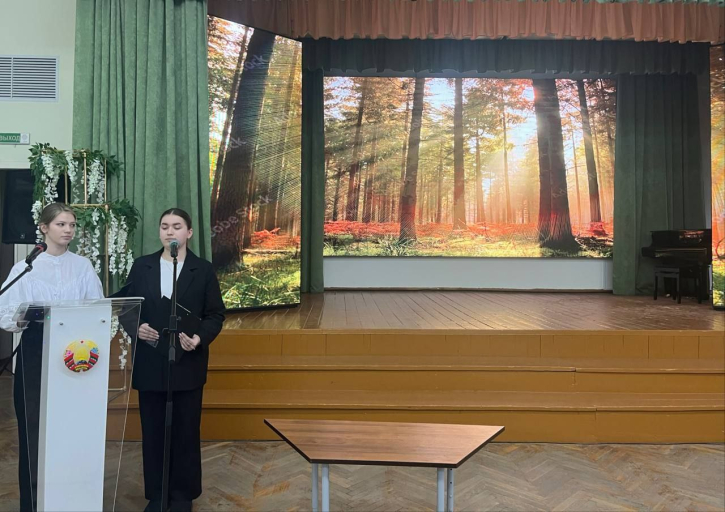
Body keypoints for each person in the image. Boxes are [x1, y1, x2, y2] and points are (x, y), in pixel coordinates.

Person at [0, 203, 104, 512]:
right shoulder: (26, 267)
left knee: (72, 428)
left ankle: (72, 500)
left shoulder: (82, 266)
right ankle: (33, 504)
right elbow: (5, 314)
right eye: (61, 224)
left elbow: (97, 309)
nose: (68, 230)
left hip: (75, 356)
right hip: (35, 352)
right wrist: (22, 317)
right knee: (33, 429)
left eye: (72, 224)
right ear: (44, 228)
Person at [120, 208, 225, 512]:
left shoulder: (202, 269)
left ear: (188, 233)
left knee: (185, 431)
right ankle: (157, 495)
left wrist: (199, 338)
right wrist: (136, 327)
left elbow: (215, 314)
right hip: (151, 361)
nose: (169, 232)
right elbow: (126, 307)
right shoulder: (142, 266)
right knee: (153, 432)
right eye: (164, 226)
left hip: (187, 362)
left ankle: (182, 496)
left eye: (176, 226)